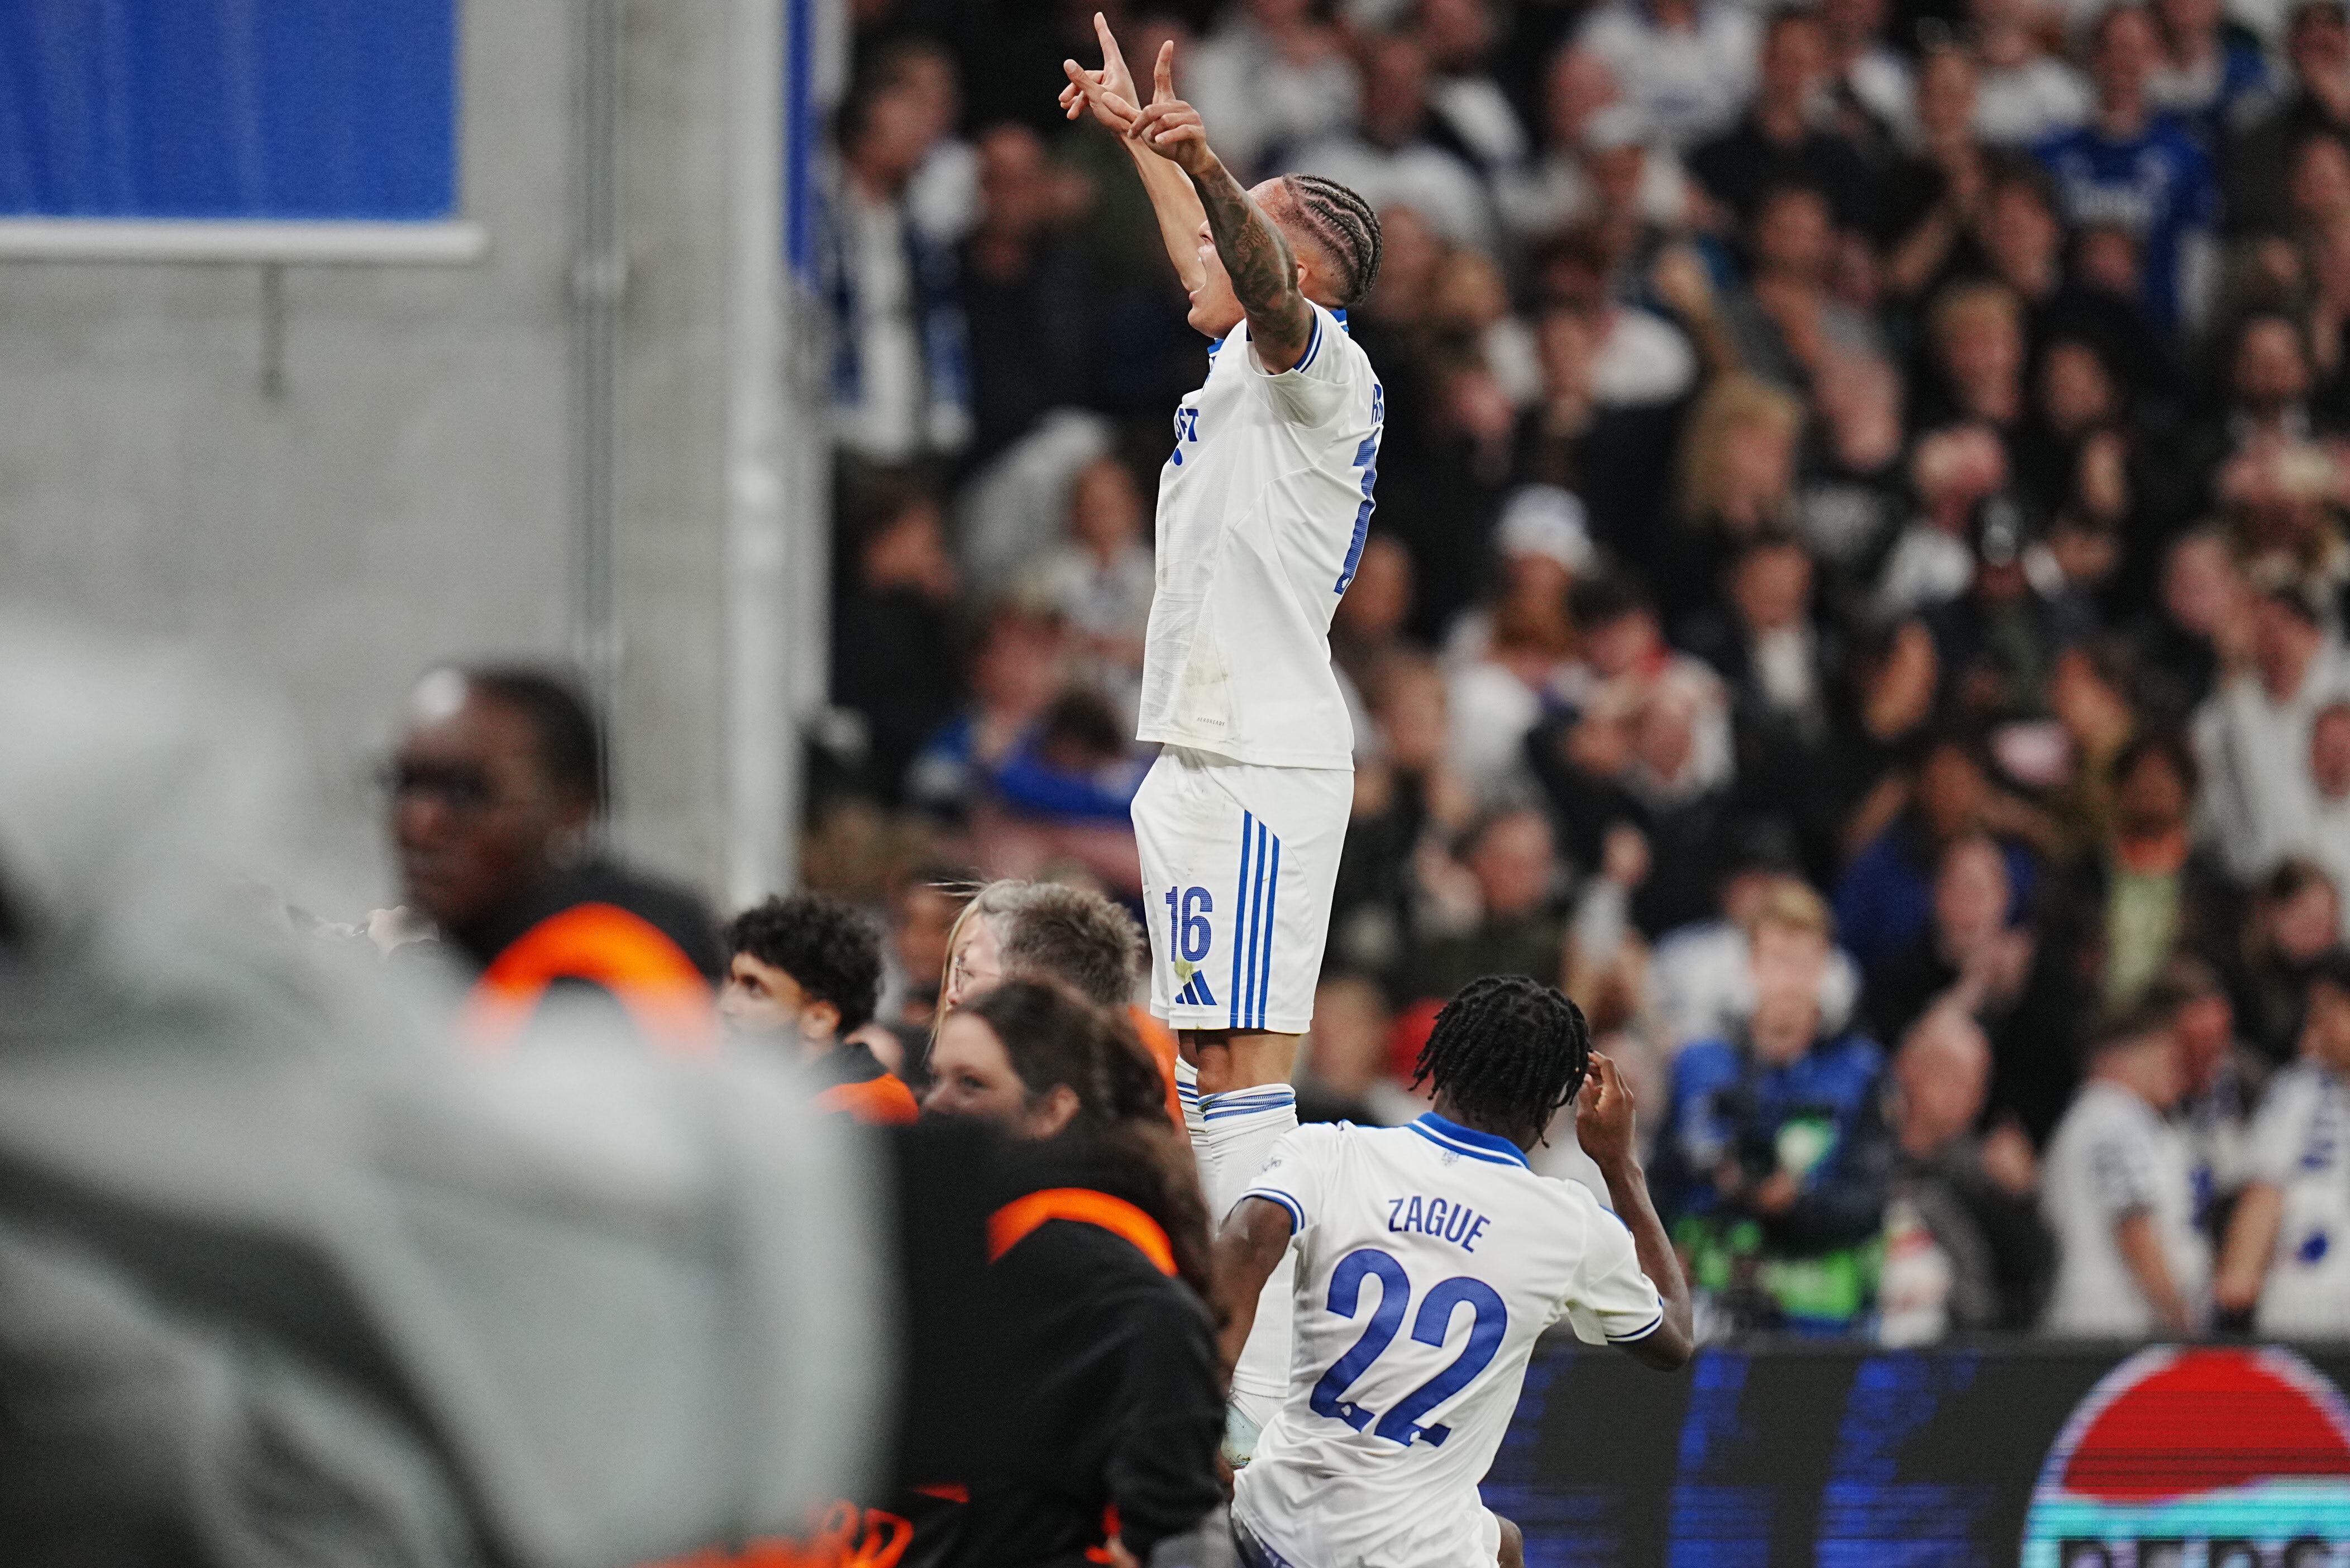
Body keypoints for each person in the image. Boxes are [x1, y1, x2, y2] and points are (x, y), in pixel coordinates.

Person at [1062, 20, 1386, 1459]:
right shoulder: (1243, 370)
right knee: (1207, 1066)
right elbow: (1222, 262)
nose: (1209, 249)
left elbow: (1254, 283)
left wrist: (1203, 162)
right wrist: (1151, 144)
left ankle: (1256, 1406)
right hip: (1208, 750)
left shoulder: (1325, 373)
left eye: (1239, 221)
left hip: (1257, 758)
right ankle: (1241, 1382)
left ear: (1298, 270)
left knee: (1243, 1073)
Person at [1209, 976, 1693, 1568]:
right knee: (1498, 1544)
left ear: (1439, 1064)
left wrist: (1200, 1414)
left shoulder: (1331, 1153)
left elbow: (1245, 1239)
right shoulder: (1568, 1226)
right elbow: (1674, 1338)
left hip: (1271, 1526)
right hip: (1410, 1555)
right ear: (1553, 1104)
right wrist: (1620, 1165)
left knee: (1501, 1540)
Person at [920, 981, 1226, 1566]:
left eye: (972, 1084)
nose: (936, 1102)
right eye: (936, 1077)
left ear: (1053, 1109)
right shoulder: (948, 1237)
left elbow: (1175, 1530)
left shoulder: (1117, 1288)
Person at [385, 665, 722, 1055]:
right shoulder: (472, 962)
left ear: (573, 806)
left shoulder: (601, 978)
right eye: (406, 782)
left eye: (464, 789)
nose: (419, 823)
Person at [1652, 881, 1892, 1334]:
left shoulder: (1860, 1072)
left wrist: (1795, 1203)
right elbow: (1658, 1180)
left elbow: (1870, 1200)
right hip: (1710, 1304)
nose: (1788, 980)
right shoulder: (1700, 1066)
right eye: (1776, 961)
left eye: (1803, 963)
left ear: (1825, 969)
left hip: (1821, 1315)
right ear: (1751, 967)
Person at [2034, 3, 2219, 337]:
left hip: (2155, 333)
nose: (2125, 61)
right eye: (2114, 48)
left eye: (2137, 49)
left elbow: (2198, 259)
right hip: (2067, 331)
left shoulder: (2186, 156)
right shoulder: (2051, 154)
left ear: (2155, 57)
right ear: (2094, 56)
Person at [1878, 1007, 2052, 1342]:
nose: (1969, 1097)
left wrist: (2022, 1199)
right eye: (1953, 1076)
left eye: (1978, 1084)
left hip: (1966, 1348)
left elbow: (2031, 1273)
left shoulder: (1981, 1170)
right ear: (1908, 1069)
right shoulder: (1865, 1149)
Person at [2038, 1005, 2210, 1337]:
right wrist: (2181, 1320)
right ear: (2119, 1056)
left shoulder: (2104, 1116)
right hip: (2115, 1328)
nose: (2176, 1071)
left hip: (2107, 1327)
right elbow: (2134, 1226)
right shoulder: (2114, 1116)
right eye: (2165, 1055)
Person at [2213, 948, 2350, 1336]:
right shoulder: (2300, 1091)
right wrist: (2239, 1278)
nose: (2320, 1026)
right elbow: (2264, 1192)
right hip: (2307, 1302)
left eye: (2333, 1010)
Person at [720, 892, 914, 1125]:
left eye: (755, 990)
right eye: (730, 982)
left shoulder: (862, 1110)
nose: (726, 1005)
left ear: (819, 1019)